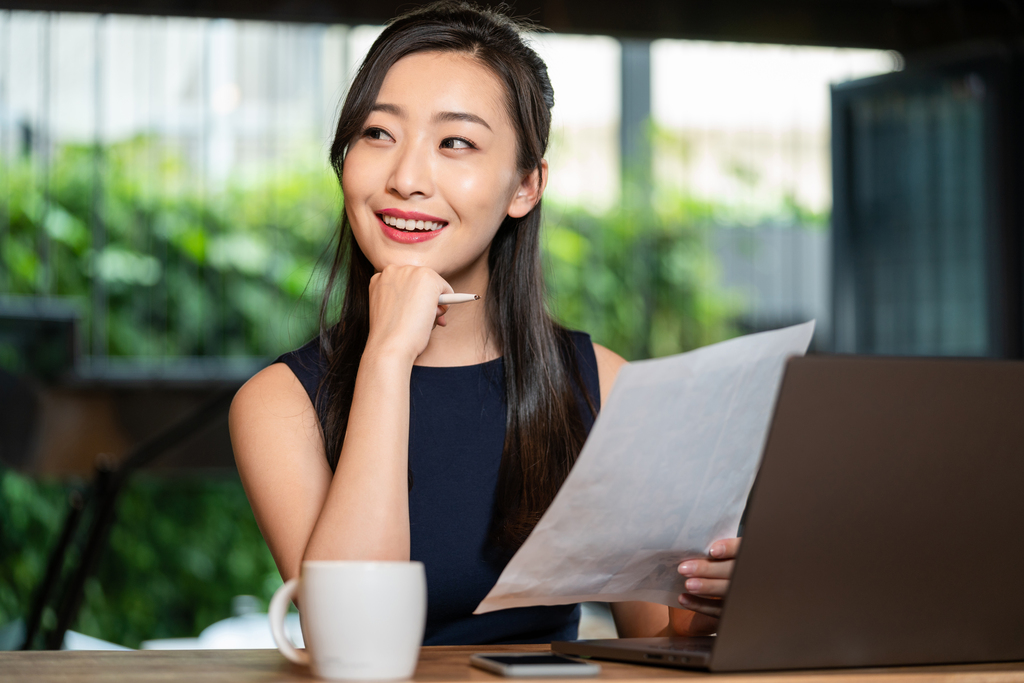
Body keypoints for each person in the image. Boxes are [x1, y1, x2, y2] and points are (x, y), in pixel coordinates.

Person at [229, 0, 740, 645]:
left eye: (455, 143)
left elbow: (658, 639)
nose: (407, 178)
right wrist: (387, 358)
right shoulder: (280, 404)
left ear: (526, 185)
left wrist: (720, 599)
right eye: (378, 133)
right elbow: (350, 644)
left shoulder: (606, 388)